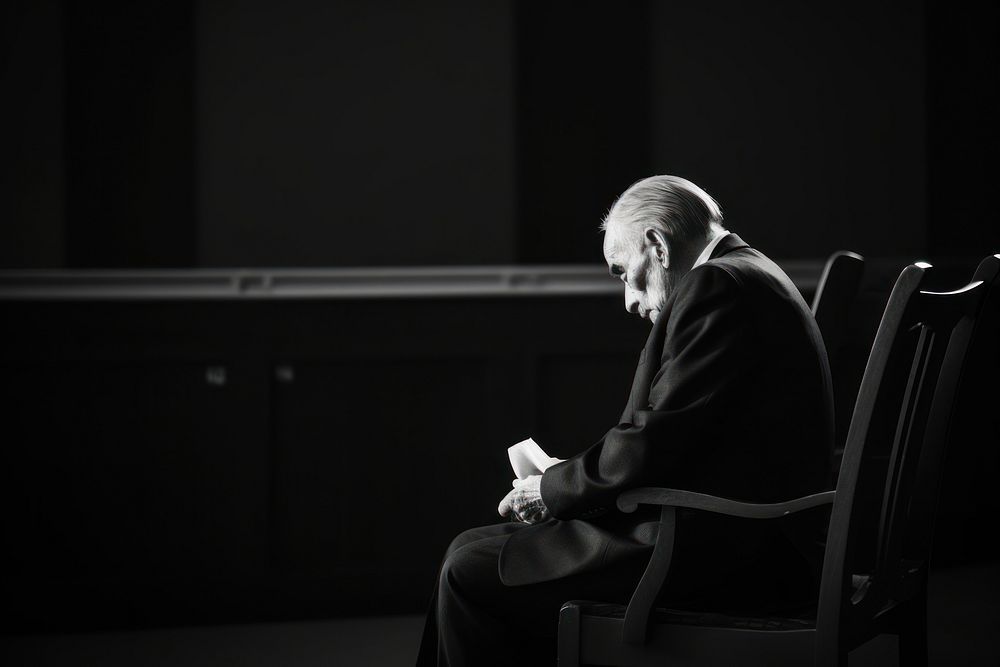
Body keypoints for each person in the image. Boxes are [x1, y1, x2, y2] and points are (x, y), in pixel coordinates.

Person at [416, 175, 834, 666]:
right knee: (469, 550)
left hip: (719, 548)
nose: (629, 301)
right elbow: (683, 435)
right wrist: (566, 479)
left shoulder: (717, 283)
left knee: (467, 570)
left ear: (656, 244)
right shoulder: (746, 272)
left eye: (621, 272)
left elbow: (655, 439)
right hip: (731, 528)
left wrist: (551, 488)